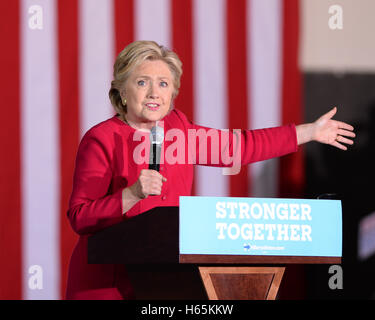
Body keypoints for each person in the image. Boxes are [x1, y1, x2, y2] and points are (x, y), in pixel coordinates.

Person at [65, 40, 355, 300]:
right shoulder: (101, 138)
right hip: (107, 284)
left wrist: (309, 131)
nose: (154, 92)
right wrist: (132, 193)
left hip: (163, 281)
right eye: (142, 82)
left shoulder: (179, 130)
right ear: (122, 90)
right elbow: (80, 217)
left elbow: (239, 147)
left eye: (164, 84)